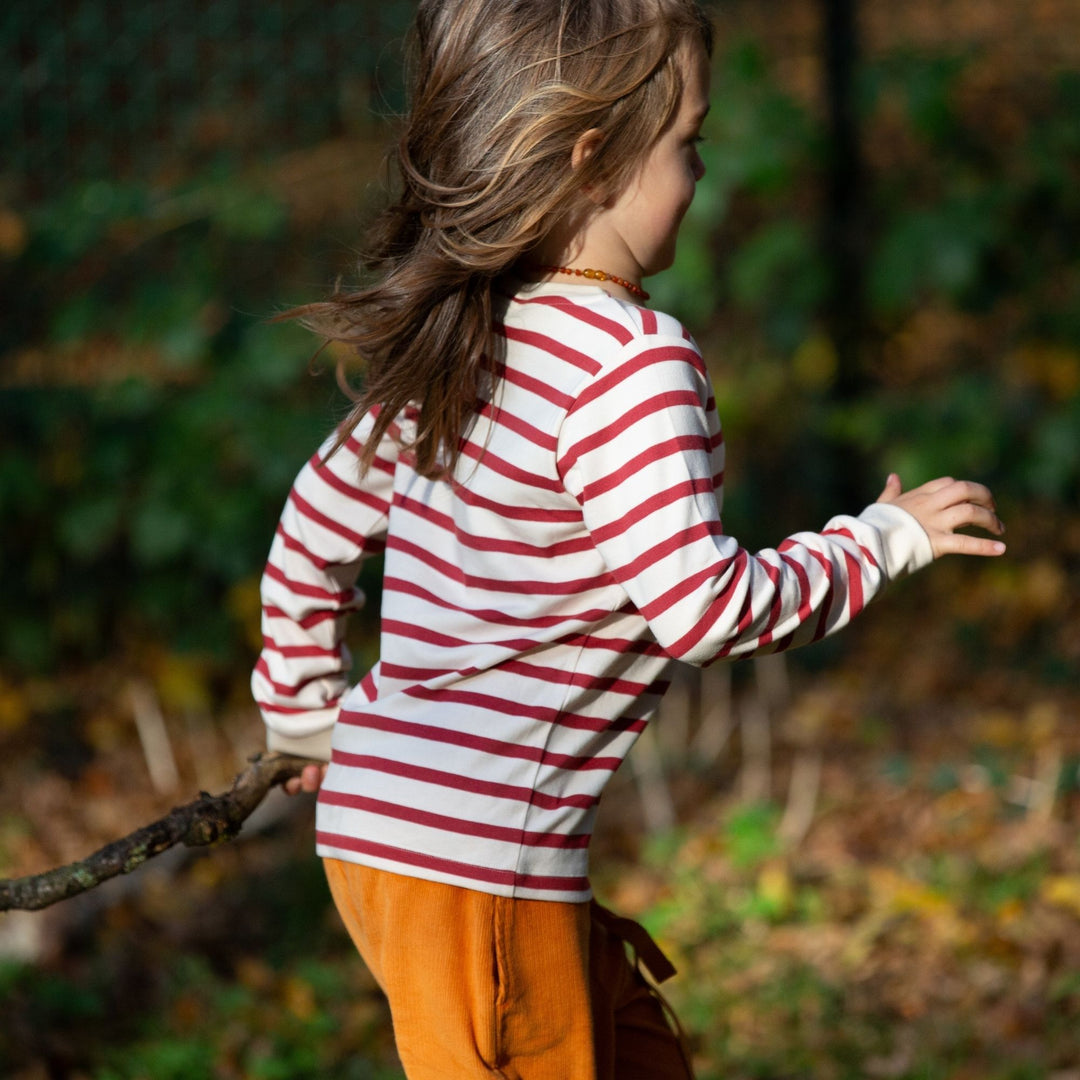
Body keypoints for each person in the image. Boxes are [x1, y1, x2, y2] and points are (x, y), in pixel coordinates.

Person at [251, 1, 1006, 1076]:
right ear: (594, 159)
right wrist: (877, 544)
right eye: (688, 141)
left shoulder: (466, 332)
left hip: (396, 832)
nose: (701, 173)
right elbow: (701, 610)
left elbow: (316, 519)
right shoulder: (630, 365)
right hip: (480, 868)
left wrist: (302, 711)